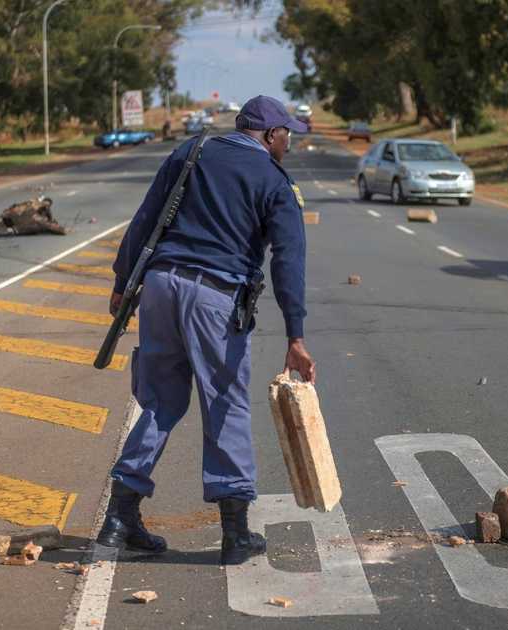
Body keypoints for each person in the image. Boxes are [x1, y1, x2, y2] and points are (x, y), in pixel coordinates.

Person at [97, 95, 316, 566]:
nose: (289, 143)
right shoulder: (274, 181)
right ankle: (236, 534)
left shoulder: (191, 152)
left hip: (160, 286)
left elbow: (145, 219)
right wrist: (295, 335)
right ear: (270, 136)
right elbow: (289, 262)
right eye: (287, 135)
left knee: (157, 401)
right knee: (227, 406)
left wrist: (122, 282)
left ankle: (119, 518)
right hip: (215, 297)